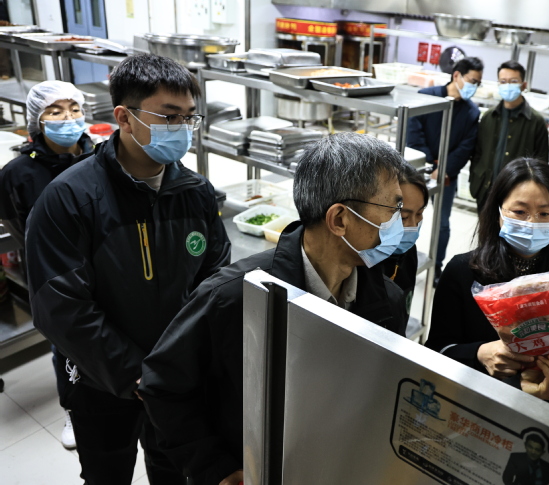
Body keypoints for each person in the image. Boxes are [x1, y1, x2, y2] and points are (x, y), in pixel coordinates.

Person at [138, 133, 409, 485]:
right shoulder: (234, 296)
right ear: (340, 219)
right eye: (394, 208)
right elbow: (163, 386)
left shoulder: (387, 301)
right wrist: (215, 467)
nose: (402, 223)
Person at [25, 53, 231, 485]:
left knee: (172, 470)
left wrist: (185, 363)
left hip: (176, 380)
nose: (182, 128)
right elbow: (60, 307)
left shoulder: (195, 192)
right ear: (124, 117)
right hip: (100, 380)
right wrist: (136, 373)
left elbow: (213, 280)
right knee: (107, 473)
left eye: (189, 117)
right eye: (169, 116)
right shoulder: (70, 198)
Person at [426, 158, 549, 403]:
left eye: (544, 213)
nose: (531, 222)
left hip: (538, 402)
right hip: (469, 400)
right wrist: (479, 354)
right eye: (519, 211)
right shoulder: (463, 271)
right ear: (498, 210)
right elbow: (436, 350)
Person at [0, 80, 95, 450]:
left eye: (74, 109)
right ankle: (73, 410)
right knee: (65, 347)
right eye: (55, 111)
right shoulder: (19, 172)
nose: (67, 118)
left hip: (103, 268)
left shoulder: (100, 158)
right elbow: (18, 228)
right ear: (37, 121)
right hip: (54, 277)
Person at [407, 56, 482, 282]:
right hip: (417, 171)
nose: (474, 86)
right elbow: (414, 132)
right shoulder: (426, 97)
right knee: (406, 216)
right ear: (457, 75)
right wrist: (429, 165)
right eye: (472, 81)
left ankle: (436, 266)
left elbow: (467, 146)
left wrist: (444, 169)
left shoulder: (471, 112)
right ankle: (401, 260)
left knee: (442, 224)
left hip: (447, 175)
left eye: (478, 83)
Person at [470, 61, 549, 209]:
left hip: (518, 195)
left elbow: (541, 163)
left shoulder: (535, 121)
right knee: (485, 224)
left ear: (523, 85)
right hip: (486, 190)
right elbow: (478, 153)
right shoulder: (489, 117)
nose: (507, 86)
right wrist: (475, 182)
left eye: (513, 81)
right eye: (503, 81)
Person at [382, 160, 429, 315]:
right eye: (403, 217)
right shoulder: (363, 263)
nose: (413, 225)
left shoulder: (408, 254)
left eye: (419, 213)